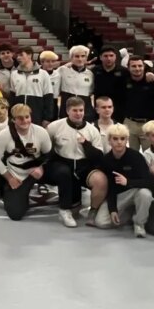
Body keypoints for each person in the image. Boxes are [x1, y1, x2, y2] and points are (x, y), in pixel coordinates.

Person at [46, 96, 105, 227]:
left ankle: (93, 211)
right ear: (67, 111)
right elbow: (46, 149)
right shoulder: (55, 127)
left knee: (100, 180)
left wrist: (85, 144)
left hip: (83, 167)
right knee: (63, 172)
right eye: (75, 110)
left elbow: (99, 156)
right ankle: (64, 209)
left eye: (81, 110)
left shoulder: (92, 130)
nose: (78, 113)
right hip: (62, 165)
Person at [93, 124, 154, 234]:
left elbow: (149, 182)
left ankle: (139, 223)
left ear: (126, 140)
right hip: (120, 196)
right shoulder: (106, 160)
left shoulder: (136, 157)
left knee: (145, 194)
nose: (119, 142)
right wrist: (113, 209)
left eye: (122, 139)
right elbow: (110, 188)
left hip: (137, 190)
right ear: (109, 140)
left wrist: (128, 182)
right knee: (101, 222)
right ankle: (131, 213)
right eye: (115, 139)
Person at [0, 104, 53, 221]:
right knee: (15, 214)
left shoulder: (41, 132)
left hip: (35, 171)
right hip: (16, 175)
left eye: (27, 117)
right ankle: (13, 192)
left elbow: (49, 154)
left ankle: (68, 206)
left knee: (63, 173)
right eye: (20, 118)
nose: (25, 121)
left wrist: (41, 168)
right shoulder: (4, 135)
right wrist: (10, 178)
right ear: (13, 119)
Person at [121, 56, 154, 152]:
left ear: (144, 67)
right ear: (128, 67)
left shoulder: (153, 81)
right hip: (130, 123)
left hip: (149, 123)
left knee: (151, 155)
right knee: (131, 154)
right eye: (133, 66)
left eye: (140, 66)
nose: (137, 68)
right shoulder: (123, 80)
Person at [8, 46, 54, 126]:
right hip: (19, 116)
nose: (18, 58)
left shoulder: (43, 74)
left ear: (29, 55)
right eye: (17, 56)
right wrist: (11, 116)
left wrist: (47, 118)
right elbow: (12, 98)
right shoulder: (14, 74)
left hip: (37, 116)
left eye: (21, 55)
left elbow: (48, 97)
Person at [57, 45, 94, 120]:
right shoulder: (62, 70)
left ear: (86, 58)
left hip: (84, 111)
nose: (80, 59)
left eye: (83, 56)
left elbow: (91, 91)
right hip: (66, 109)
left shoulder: (90, 74)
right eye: (77, 56)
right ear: (71, 58)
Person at [39, 50, 60, 121]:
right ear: (42, 62)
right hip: (40, 102)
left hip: (53, 103)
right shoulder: (37, 74)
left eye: (53, 61)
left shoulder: (58, 74)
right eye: (48, 61)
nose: (50, 64)